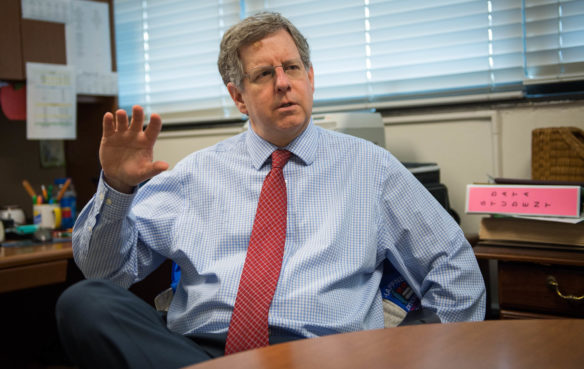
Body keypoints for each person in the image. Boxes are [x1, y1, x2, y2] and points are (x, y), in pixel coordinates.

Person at [56, 11, 485, 369]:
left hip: (325, 356)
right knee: (84, 302)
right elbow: (105, 272)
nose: (283, 82)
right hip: (203, 355)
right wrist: (117, 186)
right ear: (238, 97)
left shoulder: (371, 168)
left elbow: (453, 267)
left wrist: (428, 355)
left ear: (310, 78)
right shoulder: (195, 174)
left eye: (292, 68)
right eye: (264, 73)